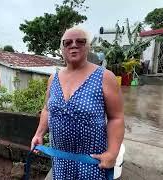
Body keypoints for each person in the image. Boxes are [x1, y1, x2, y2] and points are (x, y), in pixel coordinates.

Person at [31, 27, 124, 179]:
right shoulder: (53, 79)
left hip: (92, 161)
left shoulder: (105, 77)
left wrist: (112, 153)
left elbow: (116, 118)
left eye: (80, 41)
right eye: (67, 42)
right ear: (62, 49)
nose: (73, 45)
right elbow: (47, 109)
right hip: (60, 159)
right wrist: (39, 134)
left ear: (88, 46)